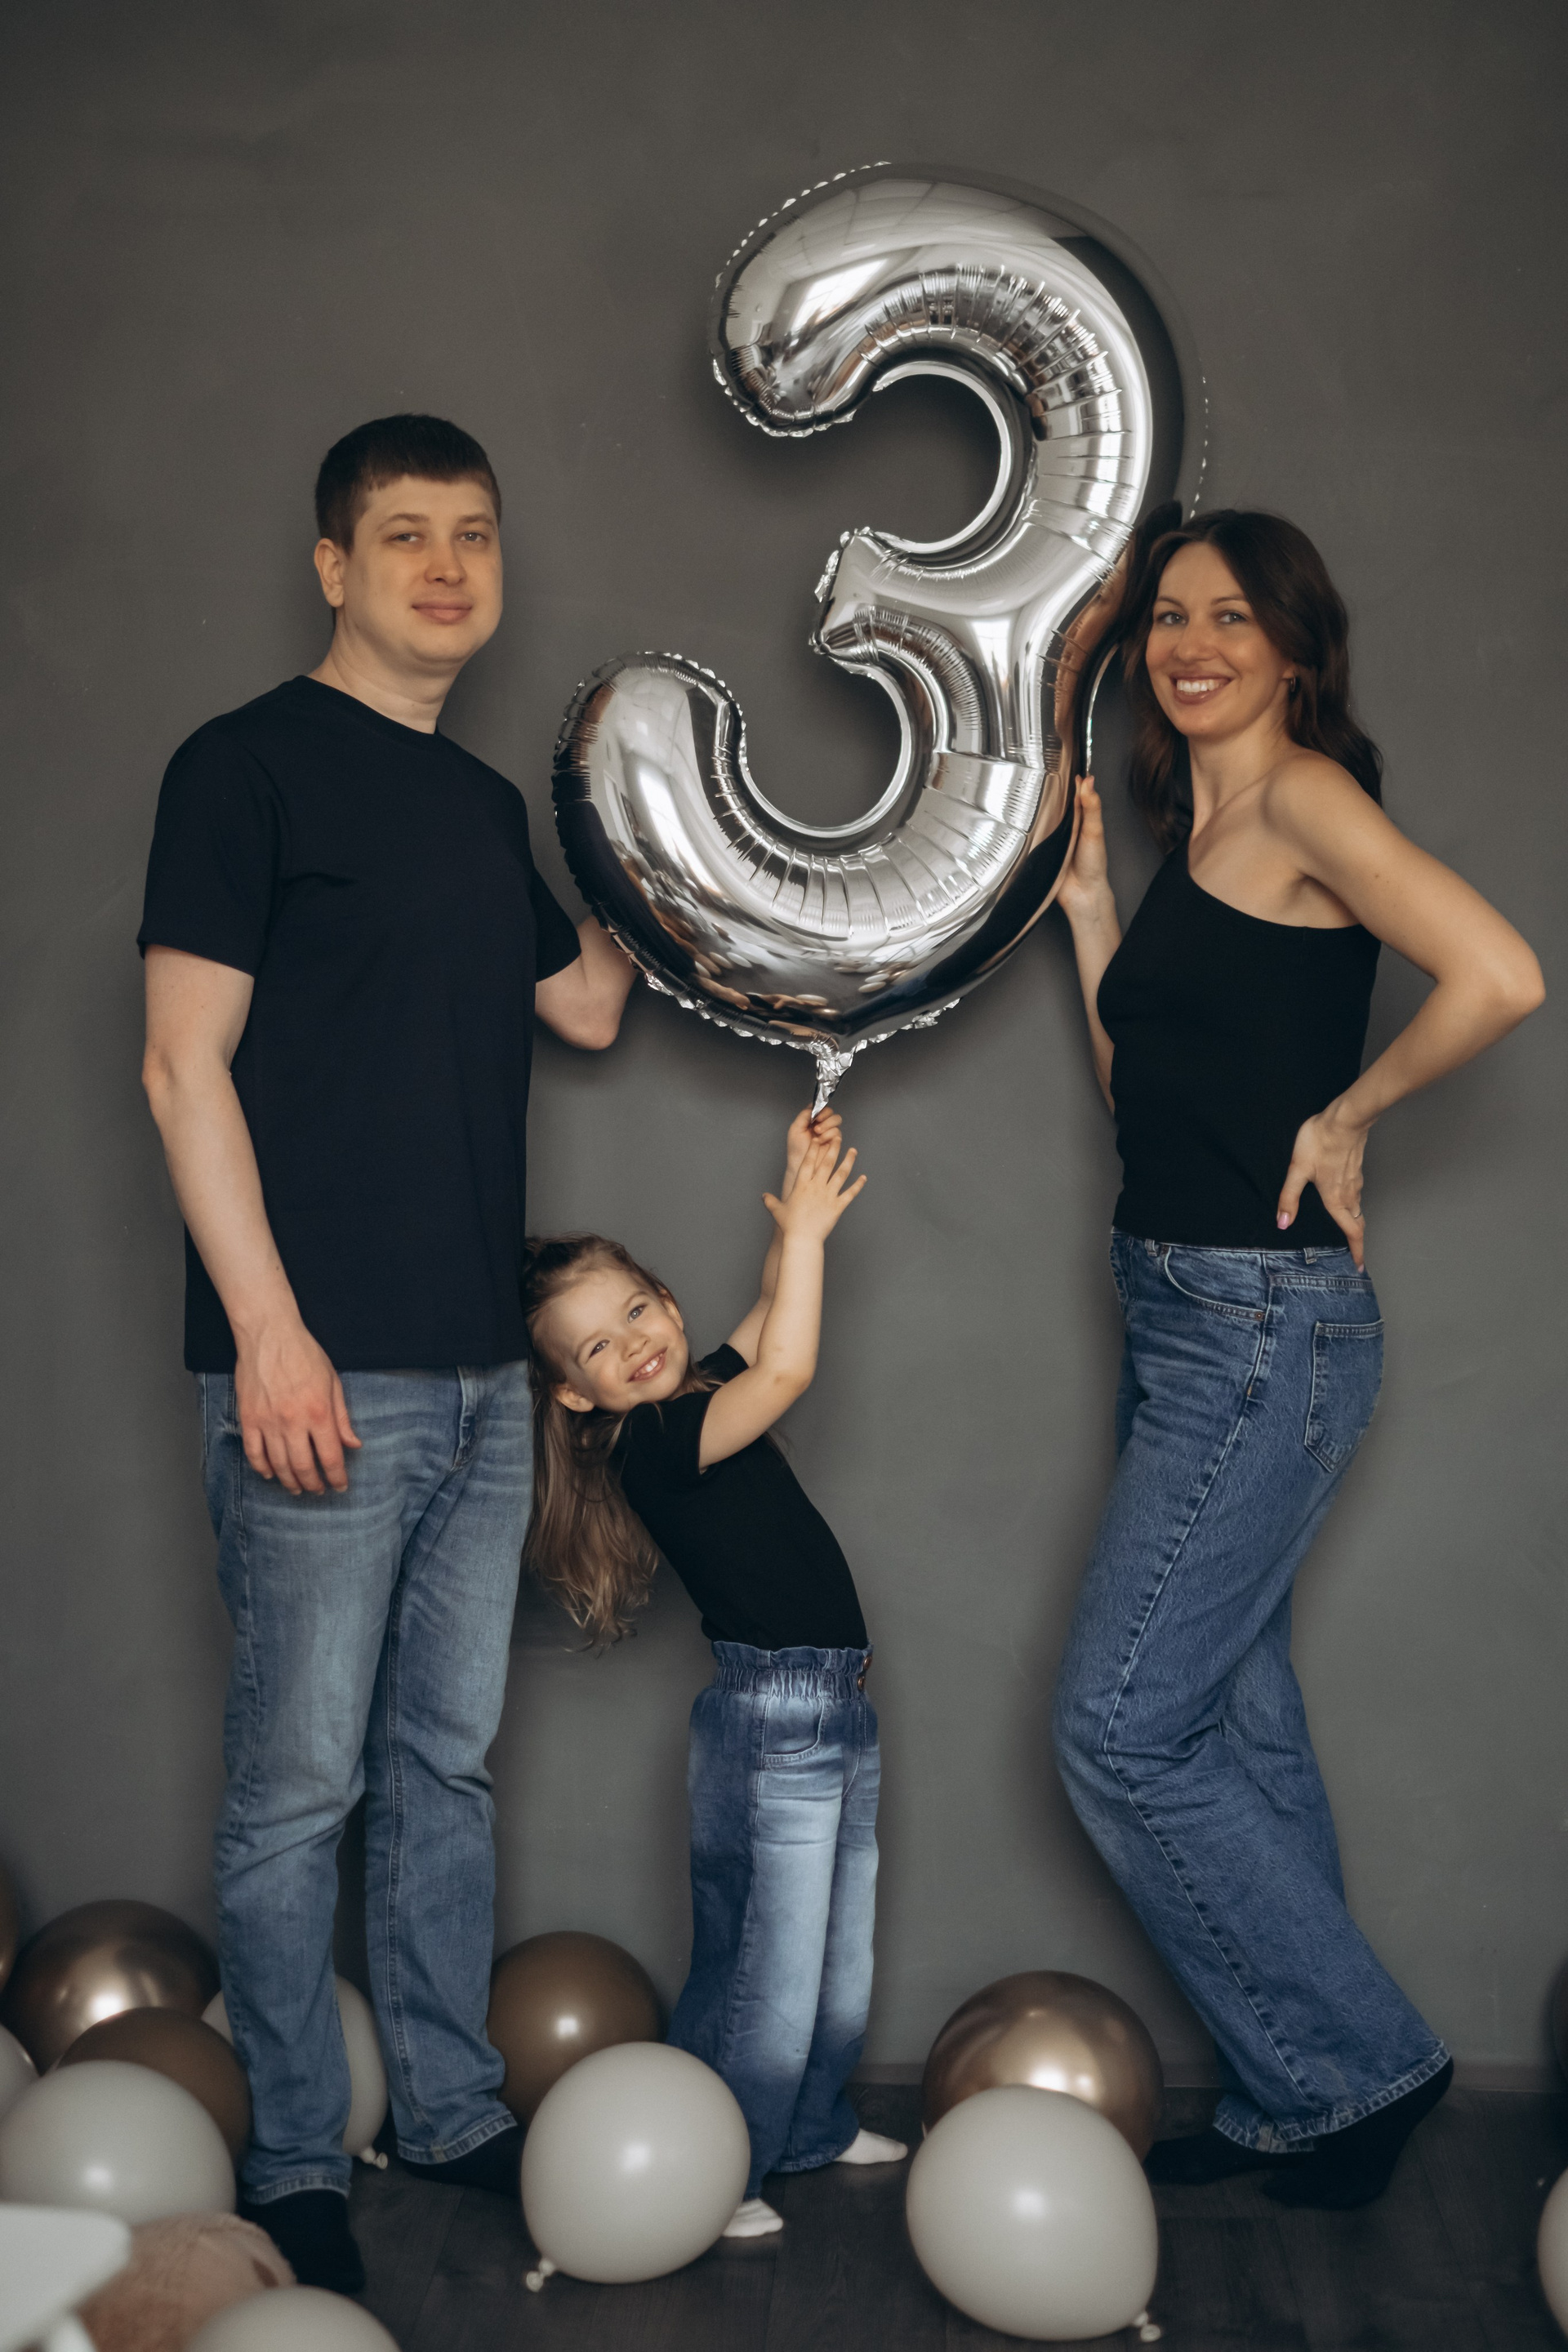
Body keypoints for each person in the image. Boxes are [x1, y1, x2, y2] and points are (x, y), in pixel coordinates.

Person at [138, 414, 635, 2289]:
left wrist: (652, 827)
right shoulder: (242, 769)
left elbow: (588, 1006)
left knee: (445, 1770)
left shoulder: (479, 809)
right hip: (317, 1372)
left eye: (475, 535)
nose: (446, 565)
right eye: (406, 534)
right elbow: (180, 1068)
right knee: (298, 1794)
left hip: (488, 1381)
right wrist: (271, 1336)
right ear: (333, 567)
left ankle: (447, 2109)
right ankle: (292, 2158)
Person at [1049, 506, 1544, 2209]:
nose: (1192, 646)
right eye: (1170, 619)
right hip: (1182, 1311)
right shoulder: (1206, 828)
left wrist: (1353, 1114)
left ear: (1293, 651)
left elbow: (1501, 975)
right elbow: (1145, 1090)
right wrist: (1092, 910)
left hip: (1265, 1329)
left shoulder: (1310, 799)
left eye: (1231, 620)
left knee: (1121, 1729)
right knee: (1235, 1721)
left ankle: (1366, 2066)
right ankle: (1301, 2096)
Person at [522, 1108, 906, 2237]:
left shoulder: (689, 1395)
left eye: (637, 1311)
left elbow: (764, 1320)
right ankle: (719, 2169)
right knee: (766, 1974)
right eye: (599, 1348)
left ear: (667, 1301)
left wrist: (795, 1199)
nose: (634, 1344)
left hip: (838, 1707)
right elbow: (786, 1366)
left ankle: (810, 2126)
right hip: (773, 1718)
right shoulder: (650, 1444)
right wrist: (815, 1238)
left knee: (835, 1960)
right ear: (577, 1396)